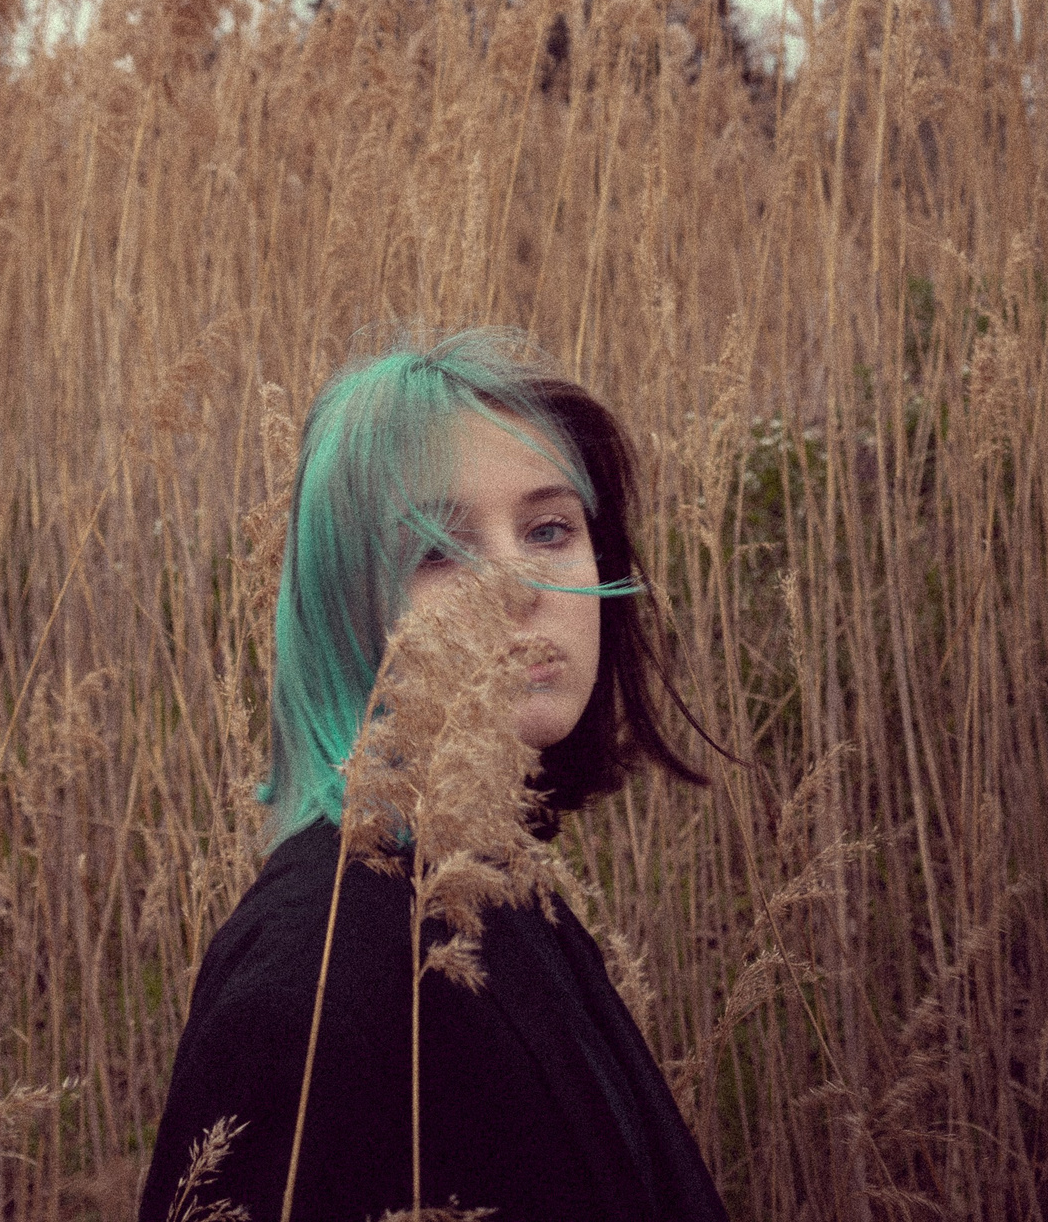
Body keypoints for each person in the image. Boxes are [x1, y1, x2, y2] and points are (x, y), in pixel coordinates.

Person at [137, 330, 728, 1222]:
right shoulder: (322, 965)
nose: (520, 583)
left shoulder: (498, 893)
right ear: (347, 614)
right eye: (437, 552)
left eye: (549, 529)